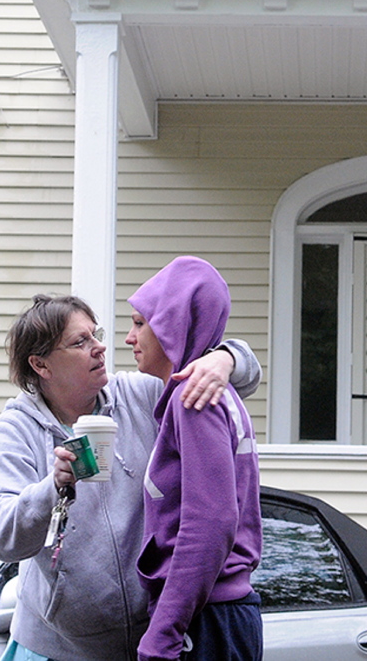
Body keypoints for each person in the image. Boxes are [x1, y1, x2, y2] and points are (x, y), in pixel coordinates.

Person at [0, 292, 261, 661]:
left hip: (152, 641)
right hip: (58, 649)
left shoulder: (141, 394)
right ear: (41, 365)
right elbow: (1, 537)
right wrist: (55, 486)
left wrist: (225, 358)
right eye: (80, 342)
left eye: (96, 334)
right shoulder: (15, 430)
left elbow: (246, 378)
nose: (100, 348)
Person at [127, 256, 262, 661]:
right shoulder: (216, 394)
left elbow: (211, 522)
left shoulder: (193, 400)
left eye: (139, 322)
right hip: (222, 616)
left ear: (172, 324)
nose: (129, 337)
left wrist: (163, 632)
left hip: (205, 622)